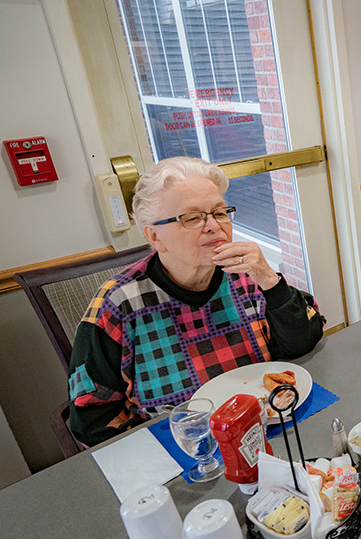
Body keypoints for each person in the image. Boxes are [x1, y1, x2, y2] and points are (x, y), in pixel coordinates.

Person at [68, 157, 325, 446]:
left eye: (220, 212)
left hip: (269, 428)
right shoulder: (118, 304)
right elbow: (91, 419)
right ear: (155, 237)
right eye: (192, 218)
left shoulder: (248, 275)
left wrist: (269, 280)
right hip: (183, 449)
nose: (214, 226)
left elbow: (302, 342)